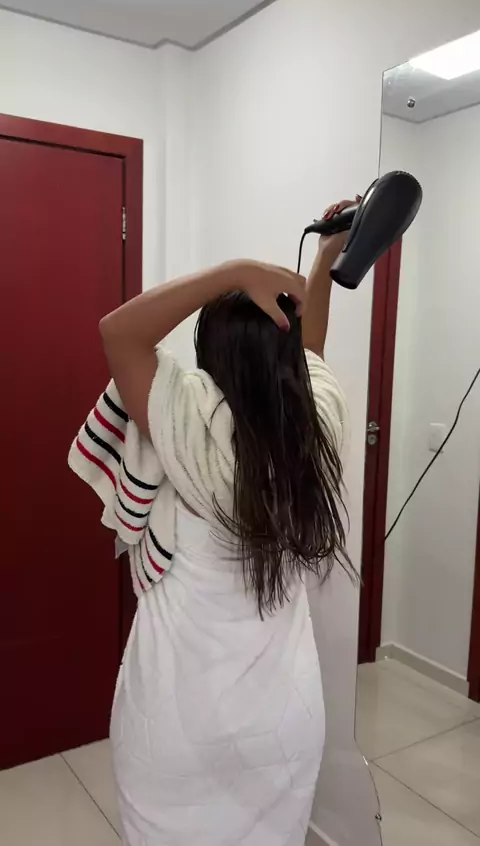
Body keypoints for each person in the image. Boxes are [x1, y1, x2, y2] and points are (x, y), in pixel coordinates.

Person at [101, 201, 357, 846]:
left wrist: (234, 272)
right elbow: (310, 356)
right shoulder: (316, 432)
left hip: (178, 729)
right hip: (285, 725)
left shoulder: (187, 433)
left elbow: (119, 332)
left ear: (210, 360)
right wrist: (326, 260)